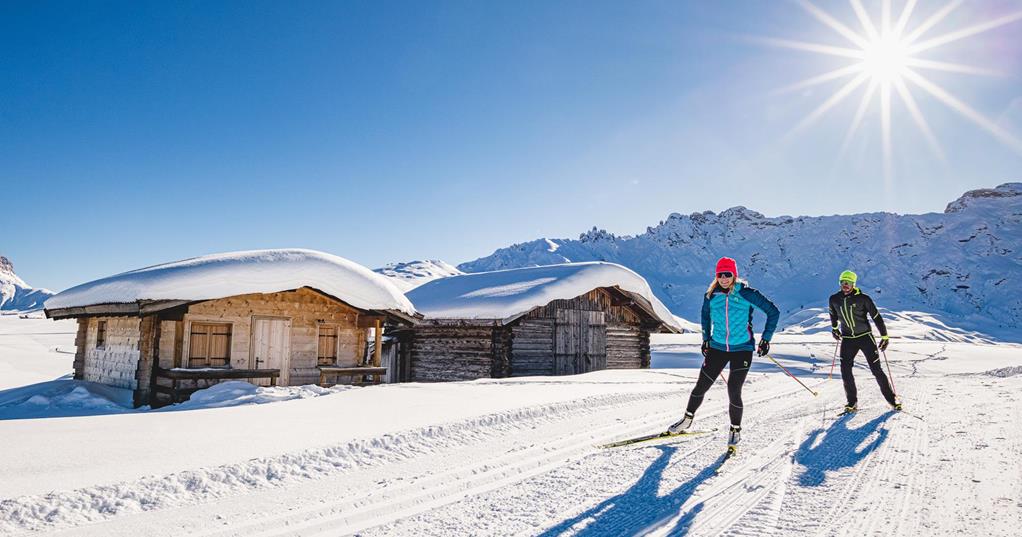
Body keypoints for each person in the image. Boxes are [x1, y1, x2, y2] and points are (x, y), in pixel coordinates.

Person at [668, 257, 779, 452]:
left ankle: (735, 430)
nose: (724, 278)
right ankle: (686, 420)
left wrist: (766, 339)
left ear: (734, 275)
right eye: (720, 274)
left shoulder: (747, 293)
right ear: (716, 276)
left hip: (742, 348)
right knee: (701, 386)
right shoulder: (711, 295)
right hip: (718, 347)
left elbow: (773, 312)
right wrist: (706, 339)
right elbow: (705, 317)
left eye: (728, 274)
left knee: (734, 390)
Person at [829, 270, 901, 413]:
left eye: (848, 283)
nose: (845, 285)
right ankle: (852, 403)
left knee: (876, 370)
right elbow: (833, 314)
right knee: (845, 370)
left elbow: (876, 317)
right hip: (848, 339)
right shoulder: (834, 299)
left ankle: (892, 400)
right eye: (843, 282)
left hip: (865, 338)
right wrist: (834, 328)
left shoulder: (863, 298)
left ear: (853, 284)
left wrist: (884, 336)